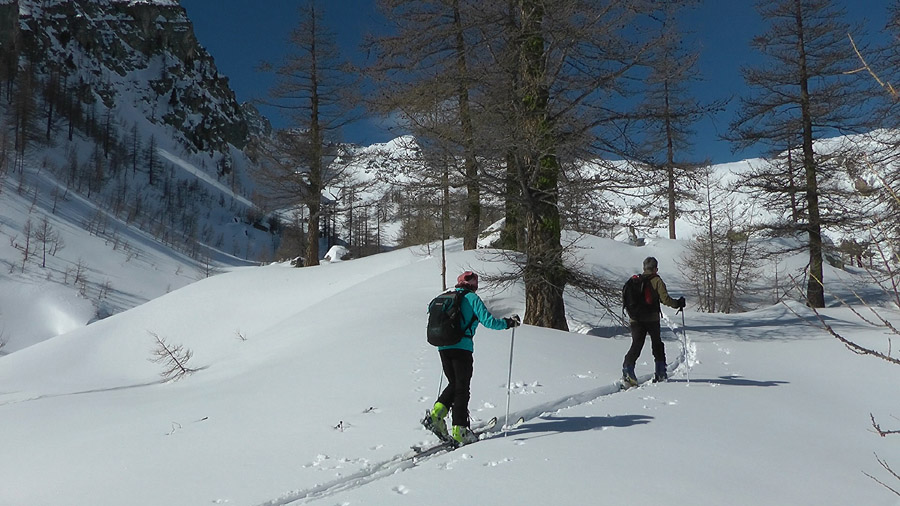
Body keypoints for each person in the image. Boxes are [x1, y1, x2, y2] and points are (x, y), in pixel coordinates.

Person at [422, 271, 520, 445]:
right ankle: (460, 430)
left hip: (442, 346)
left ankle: (437, 416)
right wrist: (508, 323)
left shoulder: (444, 297)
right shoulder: (472, 299)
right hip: (462, 347)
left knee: (455, 384)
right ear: (474, 286)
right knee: (462, 388)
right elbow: (489, 322)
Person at [623, 256, 685, 385]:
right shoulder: (656, 280)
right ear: (655, 268)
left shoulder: (634, 281)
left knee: (636, 344)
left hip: (635, 319)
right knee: (657, 344)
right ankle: (660, 371)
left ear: (644, 268)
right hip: (651, 318)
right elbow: (665, 299)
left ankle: (628, 370)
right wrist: (678, 303)